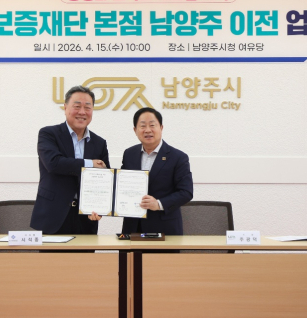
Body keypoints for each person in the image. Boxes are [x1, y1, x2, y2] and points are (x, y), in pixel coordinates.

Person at [30, 86, 110, 235]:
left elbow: (105, 180)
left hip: (86, 219)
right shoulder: (49, 134)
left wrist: (101, 208)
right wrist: (90, 164)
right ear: (65, 107)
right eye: (77, 106)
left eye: (88, 107)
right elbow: (54, 164)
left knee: (84, 252)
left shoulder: (99, 143)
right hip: (52, 216)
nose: (82, 112)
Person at [120, 107, 193, 236]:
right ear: (135, 130)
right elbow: (122, 185)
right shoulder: (129, 154)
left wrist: (159, 204)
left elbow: (186, 192)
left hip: (164, 229)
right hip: (133, 227)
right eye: (142, 126)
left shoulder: (178, 157)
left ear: (161, 128)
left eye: (152, 125)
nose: (148, 130)